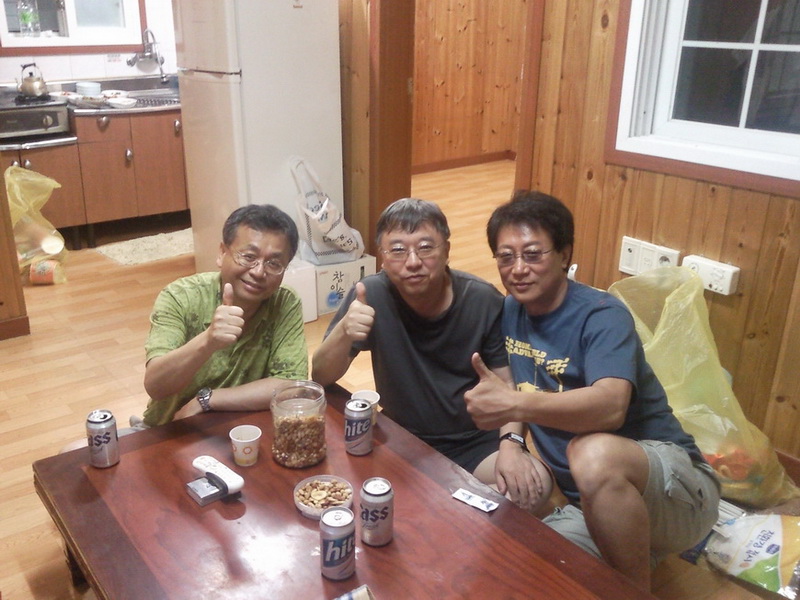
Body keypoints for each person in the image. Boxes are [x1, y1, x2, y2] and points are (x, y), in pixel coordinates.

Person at [463, 190, 720, 591]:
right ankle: (633, 557)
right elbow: (517, 381)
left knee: (592, 453)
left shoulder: (602, 315)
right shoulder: (512, 309)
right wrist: (511, 442)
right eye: (506, 257)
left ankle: (634, 592)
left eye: (533, 254)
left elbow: (610, 407)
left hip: (678, 494)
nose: (518, 269)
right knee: (515, 568)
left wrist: (512, 403)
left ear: (564, 255)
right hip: (591, 506)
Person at [312, 198, 548, 509]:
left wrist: (511, 444)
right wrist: (344, 330)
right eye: (398, 250)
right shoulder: (370, 295)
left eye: (425, 248)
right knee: (344, 484)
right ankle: (448, 506)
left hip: (475, 441)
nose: (412, 262)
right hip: (402, 437)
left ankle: (436, 504)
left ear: (446, 250)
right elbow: (321, 376)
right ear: (382, 257)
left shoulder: (482, 300)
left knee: (534, 486)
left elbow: (508, 385)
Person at [140, 203, 308, 427]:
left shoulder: (284, 302)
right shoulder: (181, 296)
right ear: (221, 253)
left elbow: (292, 385)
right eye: (248, 256)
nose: (259, 272)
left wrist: (207, 400)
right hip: (169, 430)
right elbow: (156, 386)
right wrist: (208, 341)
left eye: (274, 263)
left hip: (243, 428)